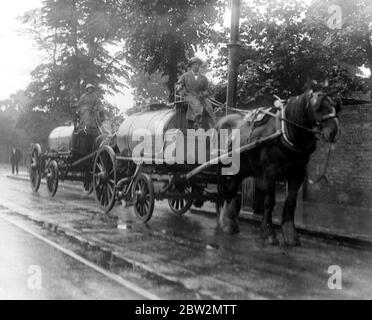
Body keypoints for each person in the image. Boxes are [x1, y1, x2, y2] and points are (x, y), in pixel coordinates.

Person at [176, 57, 216, 129]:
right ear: (191, 66)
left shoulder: (203, 78)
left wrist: (203, 94)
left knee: (208, 105)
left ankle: (211, 125)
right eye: (194, 64)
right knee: (196, 103)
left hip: (200, 97)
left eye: (198, 64)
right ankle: (196, 124)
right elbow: (178, 85)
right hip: (189, 96)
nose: (196, 66)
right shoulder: (185, 76)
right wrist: (181, 90)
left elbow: (208, 90)